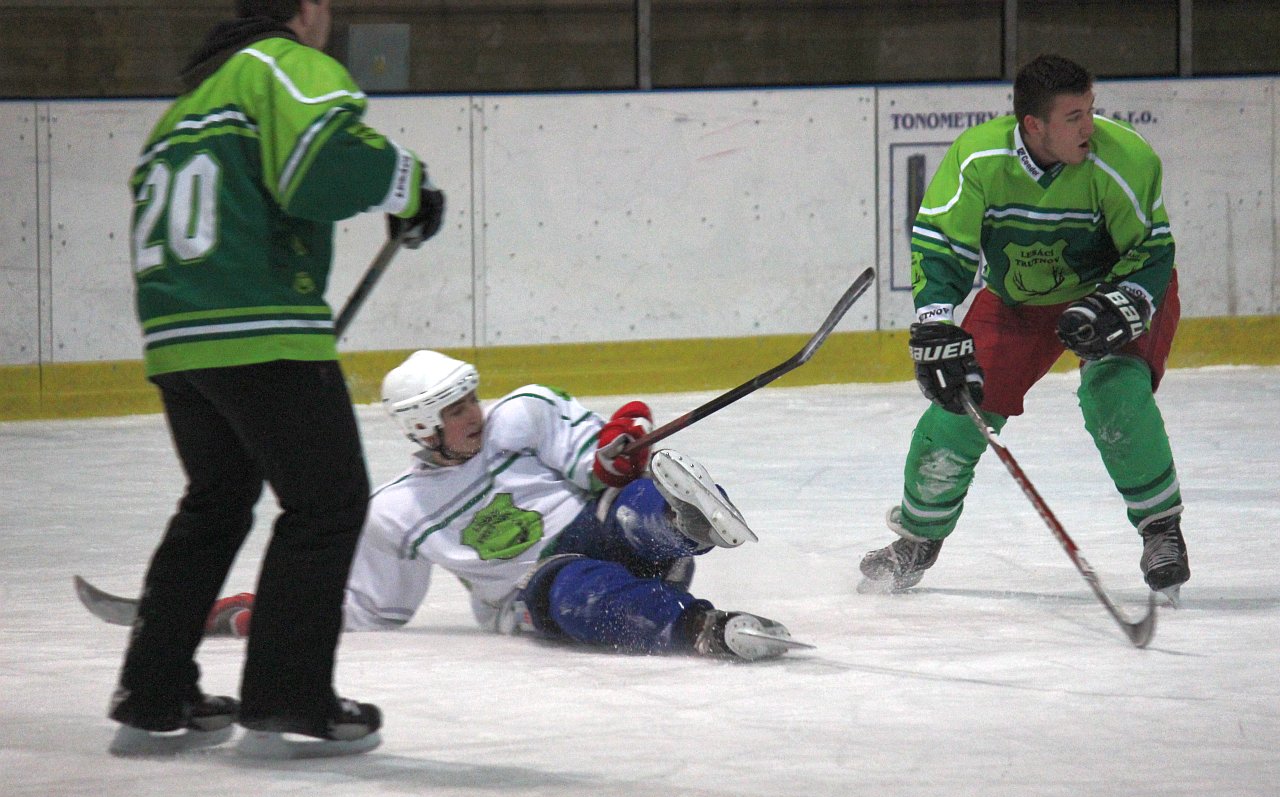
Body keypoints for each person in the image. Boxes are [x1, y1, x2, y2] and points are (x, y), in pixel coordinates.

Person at [108, 0, 446, 758]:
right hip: (259, 328)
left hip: (177, 338)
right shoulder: (285, 66)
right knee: (326, 504)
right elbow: (320, 167)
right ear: (309, 7)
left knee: (217, 500)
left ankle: (152, 692)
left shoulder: (186, 107)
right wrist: (409, 184)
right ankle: (287, 698)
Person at [201, 349, 798, 662]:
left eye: (470, 399)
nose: (473, 415)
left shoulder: (522, 414)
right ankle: (704, 629)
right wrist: (275, 612)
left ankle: (685, 525)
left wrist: (618, 451)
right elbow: (372, 608)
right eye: (454, 410)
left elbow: (594, 465)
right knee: (576, 591)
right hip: (536, 585)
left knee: (632, 503)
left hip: (595, 530)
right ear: (422, 428)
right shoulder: (397, 512)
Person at [860, 54, 1189, 602]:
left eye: (1090, 110)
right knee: (958, 410)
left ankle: (1161, 529)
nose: (1089, 127)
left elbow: (1151, 250)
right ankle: (918, 538)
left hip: (1113, 290)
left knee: (1115, 394)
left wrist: (1123, 303)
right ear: (1033, 124)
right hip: (1020, 299)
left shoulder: (1125, 159)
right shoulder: (979, 159)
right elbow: (941, 245)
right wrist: (936, 324)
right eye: (1073, 117)